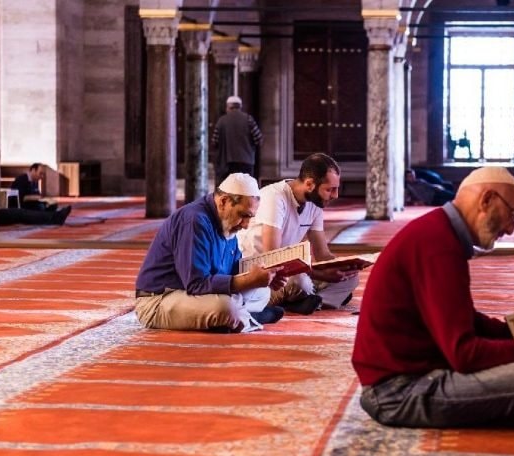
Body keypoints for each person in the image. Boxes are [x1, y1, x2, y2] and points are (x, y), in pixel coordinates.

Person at [351, 166, 514, 429]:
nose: (509, 229)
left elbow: (465, 319)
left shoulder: (439, 232)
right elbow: (464, 353)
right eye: (512, 214)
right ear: (486, 200)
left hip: (413, 374)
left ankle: (509, 413)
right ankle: (509, 414)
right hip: (395, 393)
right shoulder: (438, 245)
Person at [135, 173, 287, 333]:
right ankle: (247, 317)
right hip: (160, 299)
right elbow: (196, 284)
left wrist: (264, 277)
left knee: (262, 292)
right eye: (243, 216)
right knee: (225, 307)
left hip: (195, 294)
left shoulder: (227, 223)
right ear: (223, 202)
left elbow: (233, 271)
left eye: (250, 217)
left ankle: (235, 318)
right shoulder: (194, 220)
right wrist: (249, 281)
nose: (246, 225)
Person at [238, 153, 360, 315]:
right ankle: (304, 298)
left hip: (287, 269)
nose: (335, 195)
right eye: (330, 190)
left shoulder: (315, 203)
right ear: (309, 184)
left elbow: (322, 254)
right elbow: (272, 258)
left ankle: (309, 301)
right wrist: (317, 274)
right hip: (262, 273)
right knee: (300, 281)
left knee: (351, 278)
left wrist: (346, 265)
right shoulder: (275, 197)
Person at [211, 95, 263, 184]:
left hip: (227, 163)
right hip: (246, 162)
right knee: (245, 189)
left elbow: (214, 142)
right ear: (240, 107)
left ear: (228, 107)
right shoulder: (249, 119)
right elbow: (259, 139)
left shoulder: (221, 121)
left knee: (229, 190)